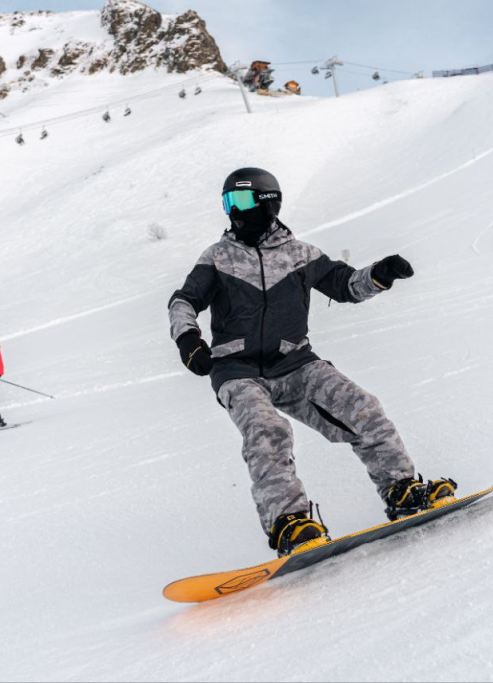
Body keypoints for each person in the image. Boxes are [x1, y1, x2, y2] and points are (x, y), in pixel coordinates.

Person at [168, 167, 457, 557]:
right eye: (227, 202)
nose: (233, 211)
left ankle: (401, 487)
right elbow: (183, 301)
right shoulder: (217, 258)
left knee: (363, 408)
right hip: (236, 371)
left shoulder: (300, 255)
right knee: (267, 430)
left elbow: (346, 285)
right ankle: (290, 523)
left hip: (296, 365)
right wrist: (188, 339)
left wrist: (379, 275)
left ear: (267, 202)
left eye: (240, 200)